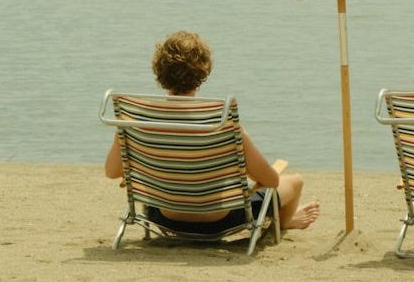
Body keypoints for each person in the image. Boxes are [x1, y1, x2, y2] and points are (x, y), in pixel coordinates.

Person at [105, 31, 320, 233]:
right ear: (203, 71)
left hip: (163, 217)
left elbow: (112, 171)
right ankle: (284, 223)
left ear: (158, 71)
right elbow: (271, 181)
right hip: (221, 221)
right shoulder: (222, 123)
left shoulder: (136, 120)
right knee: (294, 181)